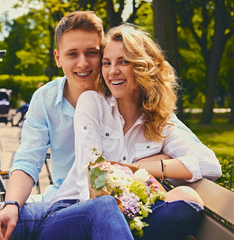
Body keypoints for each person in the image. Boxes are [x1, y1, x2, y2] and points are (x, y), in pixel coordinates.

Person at [0, 12, 204, 240]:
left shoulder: (129, 101)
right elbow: (28, 160)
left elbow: (198, 157)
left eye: (92, 53)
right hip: (58, 201)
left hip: (116, 205)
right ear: (58, 58)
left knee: (179, 201)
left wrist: (148, 165)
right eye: (73, 54)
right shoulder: (47, 99)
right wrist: (11, 203)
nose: (83, 63)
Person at [45, 24, 222, 240]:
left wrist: (139, 167)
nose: (112, 71)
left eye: (123, 62)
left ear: (142, 67)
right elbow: (93, 177)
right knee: (105, 207)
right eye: (107, 63)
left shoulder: (160, 120)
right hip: (75, 211)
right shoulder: (92, 103)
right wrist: (151, 169)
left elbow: (209, 164)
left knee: (187, 198)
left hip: (129, 215)